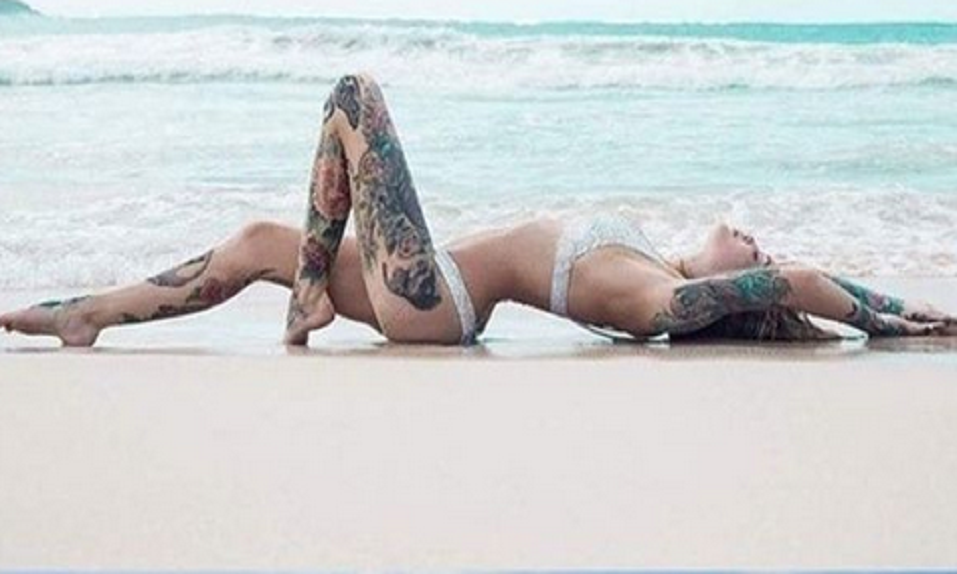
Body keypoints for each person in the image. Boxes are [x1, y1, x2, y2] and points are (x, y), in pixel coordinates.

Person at [2, 73, 955, 348]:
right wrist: (887, 305)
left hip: (434, 298)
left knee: (354, 97)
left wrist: (888, 317)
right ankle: (87, 314)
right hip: (431, 286)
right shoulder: (652, 265)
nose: (751, 240)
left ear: (728, 293)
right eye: (752, 241)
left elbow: (791, 281)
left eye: (751, 252)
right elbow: (786, 279)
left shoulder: (654, 302)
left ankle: (306, 300)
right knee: (256, 239)